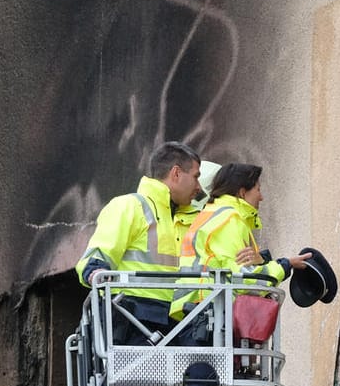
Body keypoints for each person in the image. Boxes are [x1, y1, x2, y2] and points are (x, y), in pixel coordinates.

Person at [75, 142, 207, 345]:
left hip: (181, 323)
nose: (199, 187)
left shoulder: (194, 218)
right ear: (176, 174)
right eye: (196, 177)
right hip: (134, 320)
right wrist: (95, 271)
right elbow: (97, 256)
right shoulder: (129, 207)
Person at [174, 163, 307, 320]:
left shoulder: (214, 214)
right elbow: (244, 280)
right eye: (258, 190)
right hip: (208, 313)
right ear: (242, 193)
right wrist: (285, 265)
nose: (261, 197)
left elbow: (229, 267)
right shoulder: (229, 220)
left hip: (197, 310)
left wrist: (262, 260)